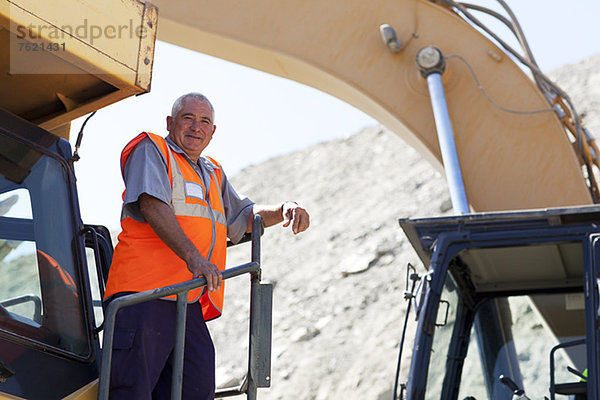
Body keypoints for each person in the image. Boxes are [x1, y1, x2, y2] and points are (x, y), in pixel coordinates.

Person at [103, 92, 310, 399]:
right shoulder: (153, 150)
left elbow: (242, 215)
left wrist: (282, 209)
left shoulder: (211, 172)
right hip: (143, 298)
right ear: (170, 123)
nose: (196, 127)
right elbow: (151, 203)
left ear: (213, 132)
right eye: (188, 118)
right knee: (133, 390)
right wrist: (195, 258)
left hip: (186, 302)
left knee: (197, 389)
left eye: (204, 121)